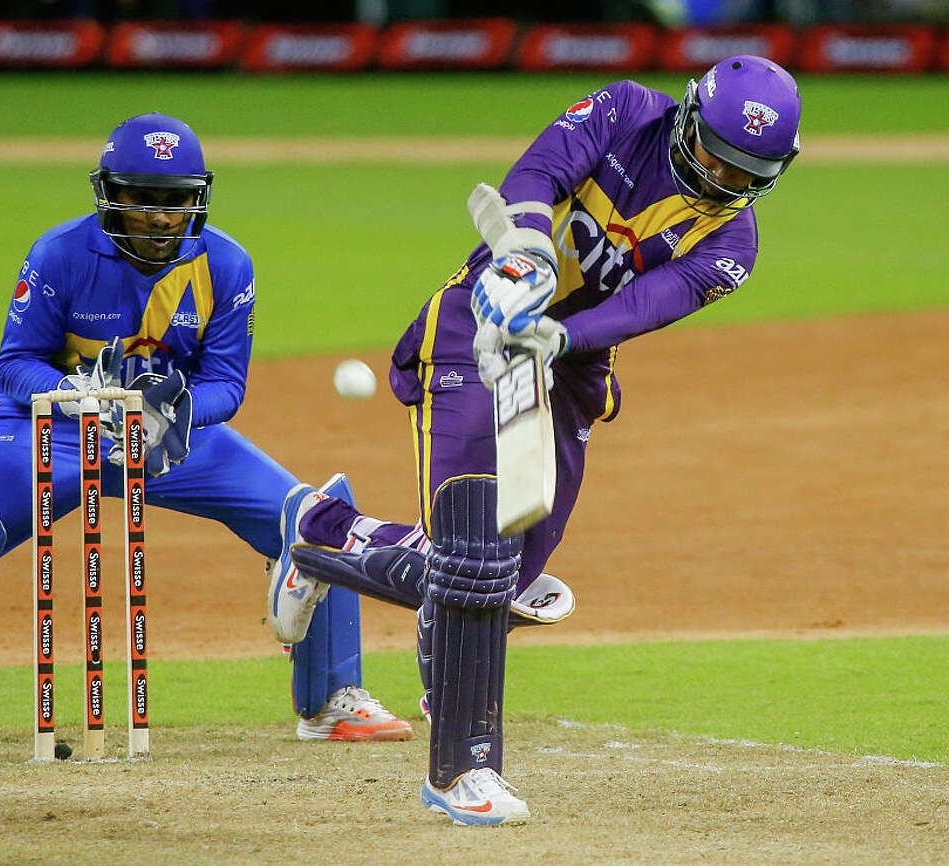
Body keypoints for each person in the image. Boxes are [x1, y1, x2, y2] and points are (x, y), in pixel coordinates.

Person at [0, 113, 411, 762]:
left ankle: (331, 702)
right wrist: (78, 400)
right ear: (109, 195)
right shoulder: (60, 253)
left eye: (175, 202)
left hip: (166, 435)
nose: (159, 216)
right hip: (52, 431)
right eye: (143, 200)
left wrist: (170, 410)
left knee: (310, 518)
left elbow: (226, 386)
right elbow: (15, 365)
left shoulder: (226, 264)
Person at [268, 56, 802, 825]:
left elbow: (645, 305)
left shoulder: (731, 247)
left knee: (507, 579)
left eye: (743, 171)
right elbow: (543, 168)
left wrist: (556, 335)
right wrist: (523, 250)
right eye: (713, 152)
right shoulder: (626, 110)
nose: (720, 176)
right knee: (473, 563)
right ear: (689, 118)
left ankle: (321, 534)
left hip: (565, 361)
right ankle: (463, 768)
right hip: (473, 330)